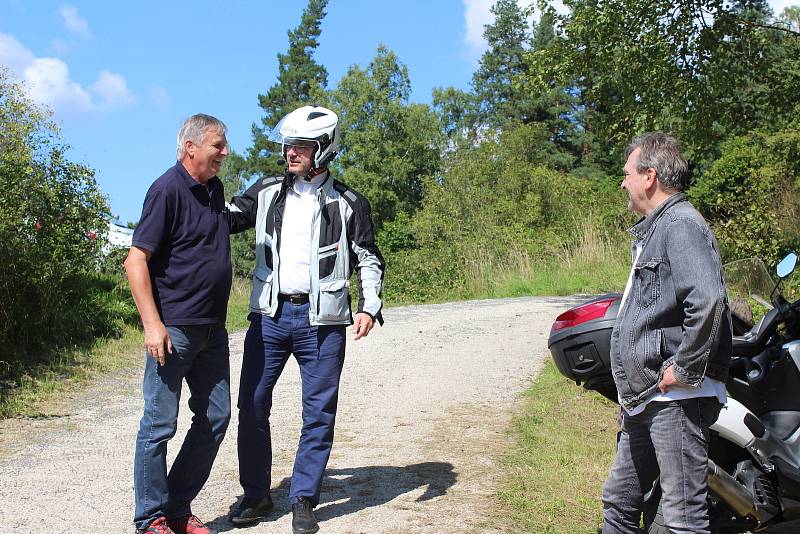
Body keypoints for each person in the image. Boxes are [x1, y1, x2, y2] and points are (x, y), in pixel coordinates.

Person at [225, 105, 385, 534]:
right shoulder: (265, 191)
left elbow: (368, 258)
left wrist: (370, 306)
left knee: (318, 412)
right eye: (288, 144)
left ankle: (304, 498)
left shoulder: (350, 203)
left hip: (325, 323)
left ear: (324, 149)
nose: (290, 152)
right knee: (252, 404)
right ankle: (257, 493)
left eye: (300, 146)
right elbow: (220, 218)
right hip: (269, 317)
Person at [601, 132, 732, 534]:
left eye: (627, 174)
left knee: (682, 519)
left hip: (676, 396)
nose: (622, 183)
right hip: (647, 398)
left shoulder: (681, 224)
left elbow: (708, 300)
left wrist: (684, 368)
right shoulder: (655, 228)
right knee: (620, 501)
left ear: (649, 176)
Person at [125, 114, 232, 534]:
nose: (225, 152)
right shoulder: (166, 189)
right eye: (217, 145)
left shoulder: (214, 190)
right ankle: (150, 517)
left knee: (217, 416)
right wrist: (153, 325)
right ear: (191, 147)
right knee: (158, 424)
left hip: (213, 330)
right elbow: (136, 260)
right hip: (174, 331)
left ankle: (176, 505)